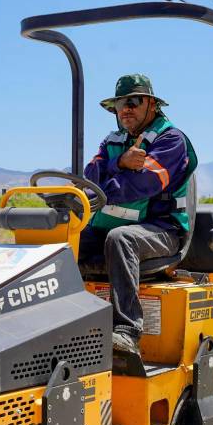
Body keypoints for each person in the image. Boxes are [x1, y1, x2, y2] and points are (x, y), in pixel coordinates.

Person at [81, 74, 197, 356]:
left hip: (162, 231)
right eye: (121, 104)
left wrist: (104, 186)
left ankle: (127, 331)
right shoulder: (113, 141)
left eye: (134, 101)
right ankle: (64, 323)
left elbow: (143, 184)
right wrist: (120, 162)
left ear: (152, 105)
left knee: (121, 239)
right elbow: (90, 175)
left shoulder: (171, 140)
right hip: (111, 229)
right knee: (66, 242)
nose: (126, 109)